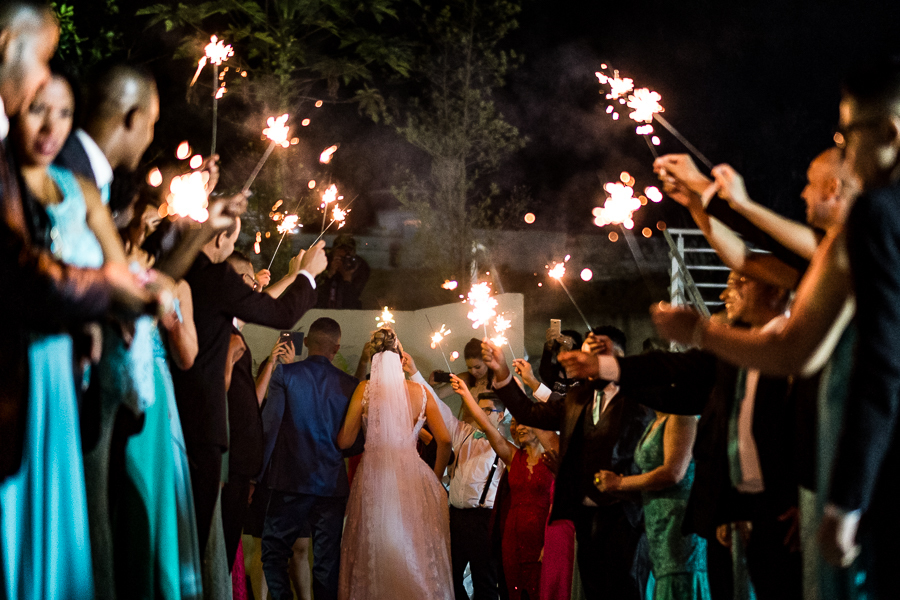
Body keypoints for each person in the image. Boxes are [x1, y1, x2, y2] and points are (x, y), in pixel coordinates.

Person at [562, 274, 802, 600]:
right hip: (729, 513)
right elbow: (675, 380)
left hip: (781, 509)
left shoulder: (795, 346)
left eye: (739, 282)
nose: (725, 294)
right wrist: (608, 368)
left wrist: (802, 499)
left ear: (776, 289)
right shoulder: (730, 360)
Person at [170, 219, 325, 568]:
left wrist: (292, 277)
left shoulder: (190, 280)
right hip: (213, 437)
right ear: (220, 239)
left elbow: (257, 306)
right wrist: (308, 274)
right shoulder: (213, 278)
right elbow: (275, 312)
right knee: (206, 546)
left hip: (209, 437)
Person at [812, 57, 900, 599]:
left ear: (889, 133)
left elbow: (883, 364)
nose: (845, 153)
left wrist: (845, 502)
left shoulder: (879, 212)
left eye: (849, 136)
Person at [484, 327, 654, 600]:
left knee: (627, 591)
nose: (585, 360)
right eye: (584, 353)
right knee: (593, 591)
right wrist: (502, 373)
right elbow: (529, 412)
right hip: (584, 518)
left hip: (627, 517)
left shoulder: (640, 397)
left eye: (595, 352)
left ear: (618, 355)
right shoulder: (578, 398)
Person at [337, 327, 453, 600]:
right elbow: (445, 440)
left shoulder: (365, 390)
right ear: (401, 358)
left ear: (373, 359)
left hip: (375, 478)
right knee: (416, 548)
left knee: (375, 547)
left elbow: (344, 441)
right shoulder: (421, 392)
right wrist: (435, 478)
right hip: (414, 477)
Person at [258, 317, 362, 600]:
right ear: (336, 348)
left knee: (274, 552)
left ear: (305, 342)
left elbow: (270, 427)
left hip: (290, 481)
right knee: (327, 563)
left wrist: (256, 476)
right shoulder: (350, 384)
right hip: (331, 485)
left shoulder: (286, 374)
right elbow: (354, 442)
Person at [451, 375, 558, 600]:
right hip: (512, 536)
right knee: (512, 591)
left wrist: (521, 395)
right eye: (515, 423)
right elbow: (488, 427)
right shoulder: (513, 457)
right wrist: (466, 395)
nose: (518, 427)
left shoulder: (552, 457)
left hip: (541, 536)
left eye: (524, 422)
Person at [594, 411, 711, 599]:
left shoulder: (681, 416)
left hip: (678, 523)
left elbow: (673, 473)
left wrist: (620, 483)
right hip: (657, 525)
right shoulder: (656, 420)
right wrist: (620, 491)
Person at [315, 233, 370, 309]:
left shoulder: (360, 267)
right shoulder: (323, 263)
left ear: (353, 253)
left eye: (347, 252)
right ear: (333, 252)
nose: (343, 253)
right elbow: (316, 295)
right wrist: (329, 274)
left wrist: (347, 279)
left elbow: (355, 300)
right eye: (340, 251)